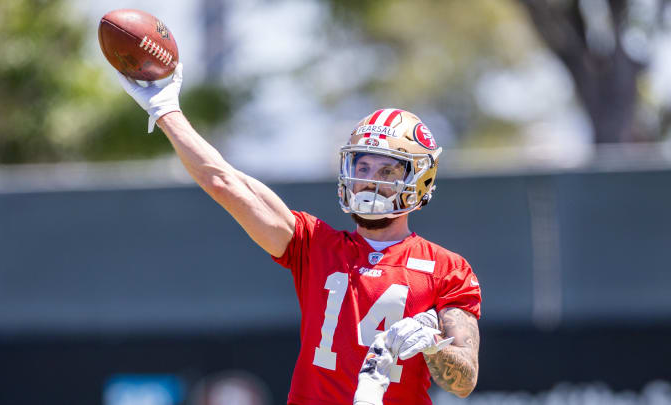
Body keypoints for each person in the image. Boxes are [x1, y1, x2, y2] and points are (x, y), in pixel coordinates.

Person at [116, 63, 481, 405]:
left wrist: (435, 346)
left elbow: (463, 382)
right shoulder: (313, 243)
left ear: (419, 180)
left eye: (386, 171)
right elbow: (224, 181)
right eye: (363, 165)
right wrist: (166, 111)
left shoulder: (446, 268)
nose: (368, 179)